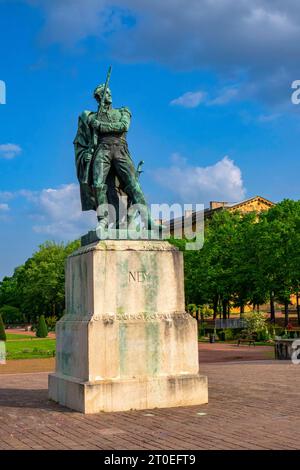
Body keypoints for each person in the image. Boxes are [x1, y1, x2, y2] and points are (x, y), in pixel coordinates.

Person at [74, 84, 160, 233]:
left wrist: (99, 125)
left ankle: (148, 221)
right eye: (105, 93)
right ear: (99, 97)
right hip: (102, 150)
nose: (109, 94)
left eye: (109, 92)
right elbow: (83, 141)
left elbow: (123, 126)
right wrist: (87, 153)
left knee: (133, 184)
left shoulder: (123, 111)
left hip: (120, 150)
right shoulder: (91, 117)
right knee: (98, 185)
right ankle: (103, 220)